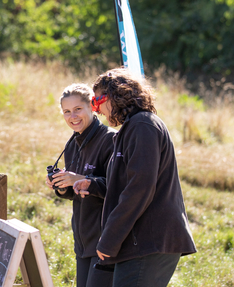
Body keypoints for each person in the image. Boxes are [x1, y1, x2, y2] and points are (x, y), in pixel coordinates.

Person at [74, 68, 196, 287]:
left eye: (96, 102)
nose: (97, 111)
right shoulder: (133, 127)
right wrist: (94, 185)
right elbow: (125, 185)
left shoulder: (142, 126)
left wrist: (109, 238)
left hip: (150, 242)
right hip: (141, 243)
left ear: (113, 96)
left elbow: (139, 189)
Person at [46, 83, 116, 287]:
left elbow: (120, 188)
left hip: (106, 240)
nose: (72, 116)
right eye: (67, 112)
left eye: (78, 109)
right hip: (83, 240)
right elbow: (75, 192)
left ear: (92, 107)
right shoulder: (72, 143)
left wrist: (80, 179)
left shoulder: (110, 139)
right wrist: (61, 185)